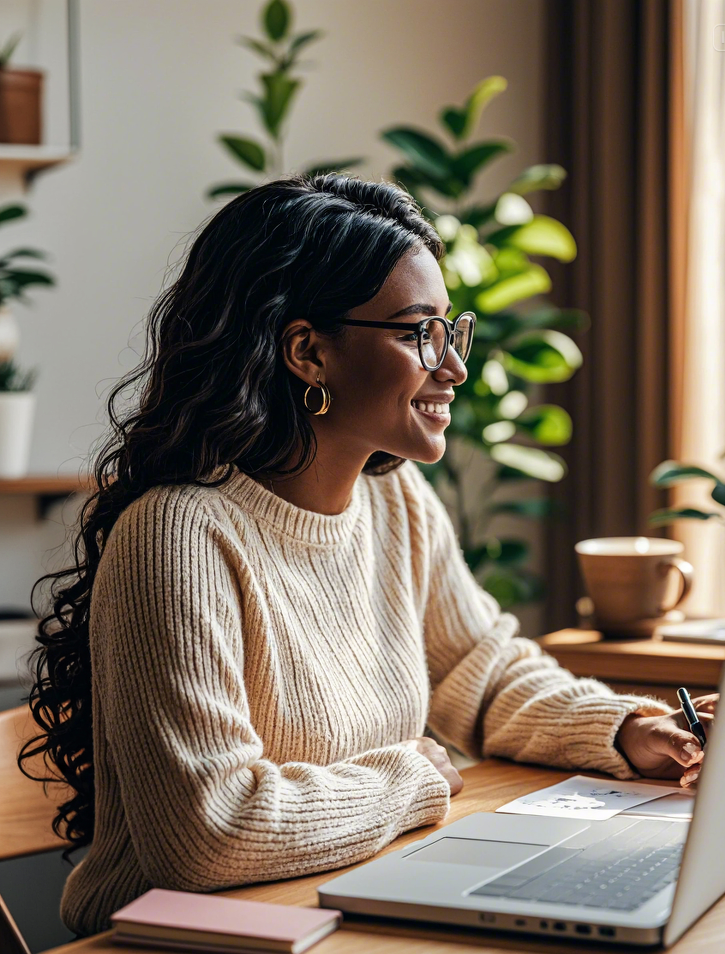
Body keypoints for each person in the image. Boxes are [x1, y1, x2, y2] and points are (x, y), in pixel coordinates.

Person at [18, 173, 716, 938]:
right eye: (419, 332)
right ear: (308, 352)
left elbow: (478, 678)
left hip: (342, 900)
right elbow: (208, 831)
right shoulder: (179, 535)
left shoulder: (395, 502)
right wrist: (410, 778)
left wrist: (624, 729)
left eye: (452, 329)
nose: (452, 367)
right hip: (185, 938)